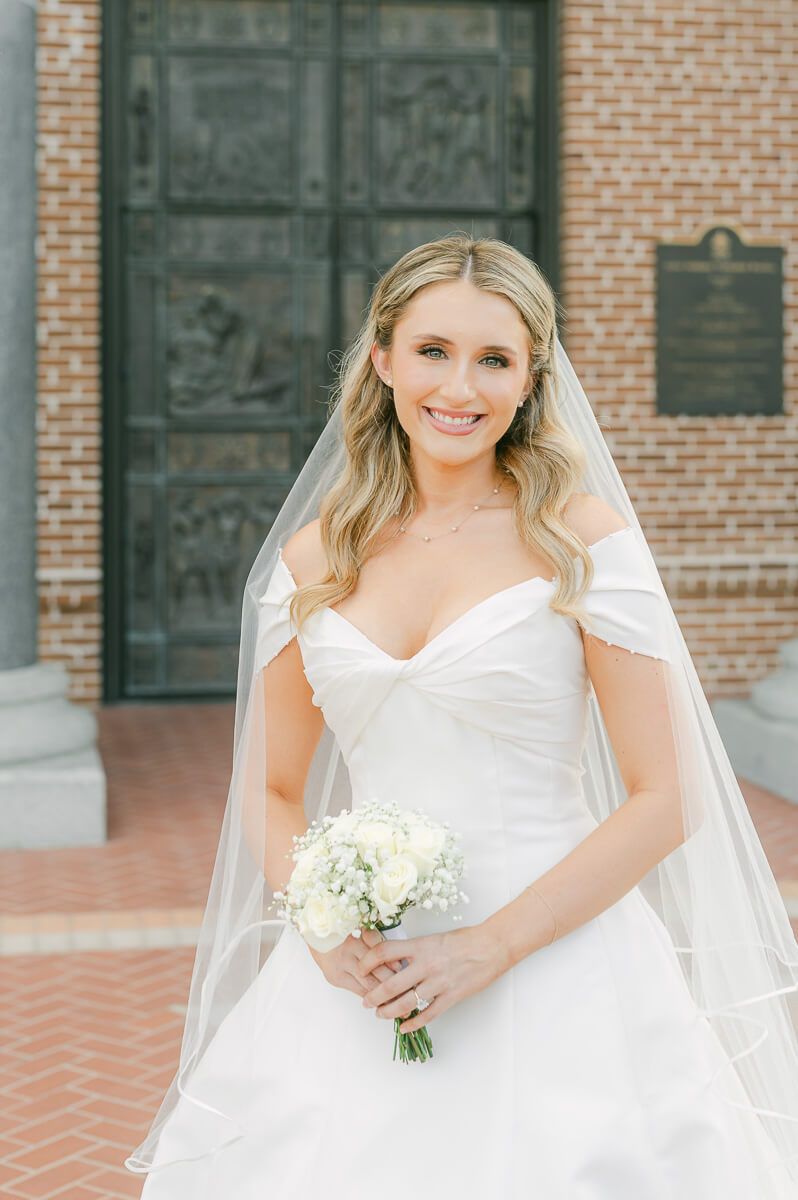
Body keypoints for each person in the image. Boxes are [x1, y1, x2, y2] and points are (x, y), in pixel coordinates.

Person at [127, 234, 798, 1197]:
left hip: (559, 964)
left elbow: (668, 793)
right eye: (433, 350)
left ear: (531, 381)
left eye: (496, 359)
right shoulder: (318, 560)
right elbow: (269, 788)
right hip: (368, 977)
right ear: (384, 359)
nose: (461, 386)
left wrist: (490, 947)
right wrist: (325, 933)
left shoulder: (581, 542)